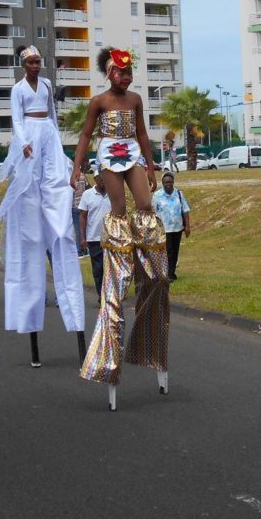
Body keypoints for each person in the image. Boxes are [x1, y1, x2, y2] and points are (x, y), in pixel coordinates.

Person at [72, 47, 171, 409]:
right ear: (109, 73)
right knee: (118, 207)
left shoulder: (135, 100)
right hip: (108, 154)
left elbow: (143, 133)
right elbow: (85, 136)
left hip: (130, 151)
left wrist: (149, 163)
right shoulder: (98, 102)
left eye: (128, 73)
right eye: (119, 72)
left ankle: (146, 247)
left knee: (145, 205)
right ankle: (119, 247)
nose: (124, 78)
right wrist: (77, 167)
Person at [0, 45, 85, 365]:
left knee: (55, 196)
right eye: (31, 62)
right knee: (29, 202)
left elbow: (53, 116)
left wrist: (54, 143)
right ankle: (29, 318)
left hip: (47, 133)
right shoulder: (17, 90)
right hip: (30, 134)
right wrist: (24, 143)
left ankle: (75, 321)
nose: (36, 66)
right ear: (23, 65)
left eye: (38, 62)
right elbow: (16, 120)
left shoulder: (47, 85)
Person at [78, 172, 111, 301]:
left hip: (110, 238)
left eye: (105, 178)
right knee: (98, 269)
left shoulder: (112, 193)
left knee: (109, 268)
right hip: (94, 238)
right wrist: (82, 237)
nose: (103, 180)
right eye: (100, 178)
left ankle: (109, 295)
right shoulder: (88, 195)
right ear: (95, 179)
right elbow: (82, 216)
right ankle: (101, 295)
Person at [152, 170, 191, 281]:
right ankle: (168, 274)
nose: (168, 184)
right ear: (162, 183)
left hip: (177, 228)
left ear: (173, 182)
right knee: (168, 251)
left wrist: (187, 226)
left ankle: (172, 273)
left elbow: (185, 210)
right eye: (166, 182)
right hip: (164, 229)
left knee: (175, 251)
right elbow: (153, 213)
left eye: (170, 182)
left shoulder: (179, 193)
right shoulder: (157, 195)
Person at [71, 160, 90, 257]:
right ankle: (84, 249)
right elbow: (88, 187)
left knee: (78, 229)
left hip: (74, 206)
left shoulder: (72, 176)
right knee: (84, 228)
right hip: (83, 206)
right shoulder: (82, 176)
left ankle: (79, 250)